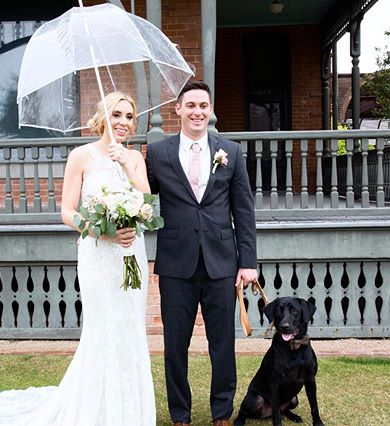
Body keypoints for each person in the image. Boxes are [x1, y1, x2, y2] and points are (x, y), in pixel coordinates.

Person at [0, 91, 156, 425]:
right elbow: (66, 211)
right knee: (101, 328)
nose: (123, 122)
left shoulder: (135, 158)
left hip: (130, 253)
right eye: (117, 115)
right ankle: (94, 410)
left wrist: (124, 162)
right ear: (103, 118)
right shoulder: (81, 156)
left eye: (129, 117)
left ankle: (129, 412)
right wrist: (101, 231)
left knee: (130, 328)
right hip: (97, 254)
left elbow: (148, 203)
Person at [146, 80, 257, 426]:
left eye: (203, 106)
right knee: (174, 346)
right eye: (190, 105)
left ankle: (221, 412)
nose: (197, 112)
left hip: (221, 262)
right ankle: (180, 414)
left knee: (222, 343)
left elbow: (244, 209)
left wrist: (248, 263)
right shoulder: (158, 153)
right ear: (177, 109)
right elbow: (143, 200)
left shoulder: (231, 152)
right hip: (176, 263)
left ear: (210, 111)